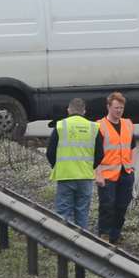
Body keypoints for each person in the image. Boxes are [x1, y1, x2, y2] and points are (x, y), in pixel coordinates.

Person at [46, 97, 100, 230]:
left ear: (68, 110)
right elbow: (100, 154)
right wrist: (89, 167)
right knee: (82, 214)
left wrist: (57, 166)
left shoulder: (61, 125)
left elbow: (50, 152)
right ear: (84, 111)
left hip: (65, 176)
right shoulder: (93, 127)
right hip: (85, 178)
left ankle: (65, 246)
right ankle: (82, 246)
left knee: (64, 214)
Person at [96, 91, 136, 244]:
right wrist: (98, 173)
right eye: (116, 108)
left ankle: (116, 234)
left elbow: (132, 147)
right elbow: (96, 153)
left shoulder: (128, 124)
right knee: (107, 205)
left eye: (121, 108)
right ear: (108, 107)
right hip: (107, 174)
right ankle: (104, 234)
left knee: (122, 205)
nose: (119, 111)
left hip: (125, 172)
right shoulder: (100, 126)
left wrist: (132, 168)